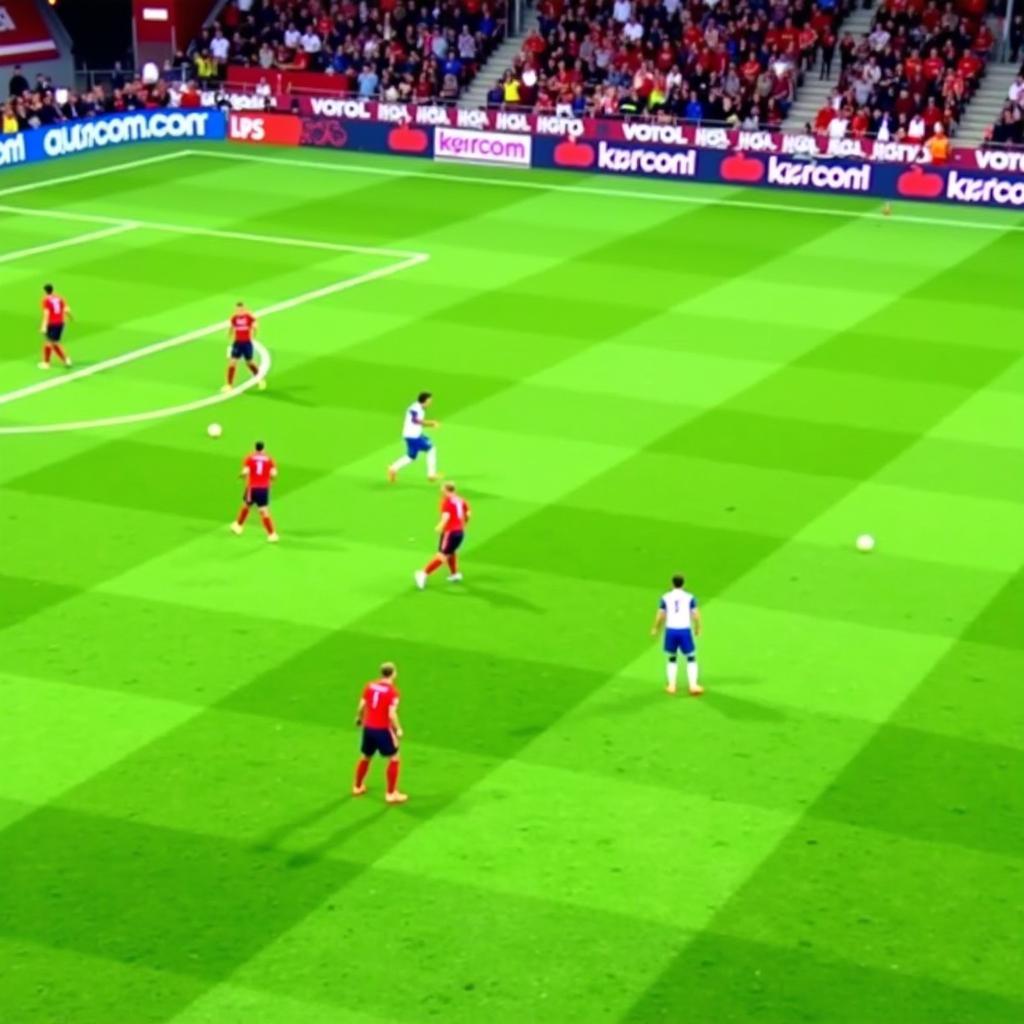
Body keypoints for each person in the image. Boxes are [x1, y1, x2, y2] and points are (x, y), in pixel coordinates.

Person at [353, 662, 407, 803]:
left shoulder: (369, 686)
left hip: (368, 728)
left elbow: (361, 705)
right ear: (393, 673)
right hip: (383, 729)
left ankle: (357, 786)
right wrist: (398, 729)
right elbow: (391, 714)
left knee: (366, 756)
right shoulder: (392, 692)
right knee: (395, 757)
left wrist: (359, 718)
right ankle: (391, 794)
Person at [650, 574, 703, 696]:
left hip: (671, 631)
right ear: (684, 584)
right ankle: (693, 685)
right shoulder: (690, 597)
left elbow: (661, 614)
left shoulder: (665, 597)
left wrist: (655, 628)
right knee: (691, 657)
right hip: (684, 631)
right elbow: (695, 614)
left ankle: (672, 686)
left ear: (672, 584)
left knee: (672, 658)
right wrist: (698, 627)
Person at [415, 481, 470, 589]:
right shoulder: (461, 500)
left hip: (450, 532)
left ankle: (423, 574)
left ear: (446, 490)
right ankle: (454, 574)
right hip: (460, 532)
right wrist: (463, 524)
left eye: (442, 489)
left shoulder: (447, 502)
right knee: (451, 552)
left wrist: (439, 527)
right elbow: (468, 514)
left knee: (442, 555)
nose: (441, 491)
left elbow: (446, 517)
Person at [231, 440, 279, 541]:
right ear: (264, 448)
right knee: (263, 511)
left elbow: (244, 472)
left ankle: (238, 527)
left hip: (252, 488)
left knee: (246, 506)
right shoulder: (269, 459)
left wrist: (242, 477)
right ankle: (272, 534)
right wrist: (270, 480)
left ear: (255, 448)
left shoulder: (250, 458)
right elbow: (274, 474)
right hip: (263, 489)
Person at [388, 391, 439, 482]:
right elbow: (415, 420)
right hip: (413, 436)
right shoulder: (416, 408)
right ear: (425, 401)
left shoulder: (418, 407)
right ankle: (431, 475)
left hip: (412, 435)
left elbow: (416, 421)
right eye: (429, 400)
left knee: (411, 457)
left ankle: (393, 468)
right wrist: (431, 423)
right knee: (431, 449)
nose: (431, 402)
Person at [222, 300, 265, 392]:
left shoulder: (248, 317)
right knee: (232, 363)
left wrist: (255, 330)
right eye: (237, 310)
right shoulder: (234, 318)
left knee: (249, 363)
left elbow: (255, 323)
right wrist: (229, 334)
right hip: (237, 343)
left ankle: (260, 379)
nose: (239, 311)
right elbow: (231, 327)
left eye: (241, 309)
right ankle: (229, 385)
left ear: (244, 309)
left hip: (246, 343)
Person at [38, 283, 72, 369]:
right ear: (53, 289)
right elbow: (66, 309)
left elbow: (46, 313)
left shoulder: (46, 300)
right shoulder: (60, 298)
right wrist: (70, 317)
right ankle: (48, 362)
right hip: (60, 323)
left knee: (50, 343)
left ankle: (63, 360)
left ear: (45, 291)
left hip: (52, 324)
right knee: (50, 343)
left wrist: (44, 326)